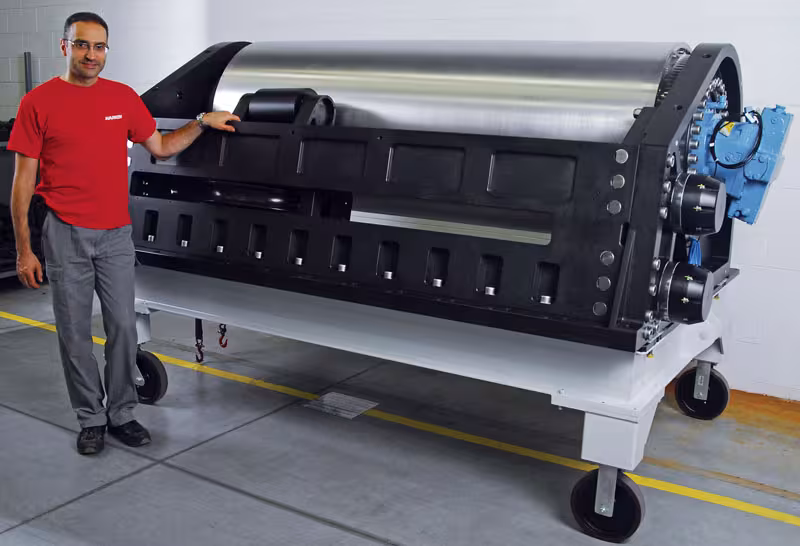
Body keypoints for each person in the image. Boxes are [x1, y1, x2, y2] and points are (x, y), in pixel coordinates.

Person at [8, 12, 239, 455]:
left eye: (99, 47)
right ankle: (91, 419)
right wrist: (25, 249)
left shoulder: (122, 98)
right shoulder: (38, 103)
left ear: (106, 51)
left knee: (122, 329)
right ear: (65, 46)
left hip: (115, 234)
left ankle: (122, 413)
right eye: (81, 45)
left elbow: (162, 147)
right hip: (65, 233)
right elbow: (22, 183)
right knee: (74, 334)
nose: (90, 55)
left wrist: (202, 121)